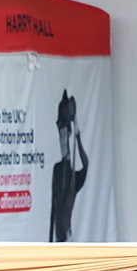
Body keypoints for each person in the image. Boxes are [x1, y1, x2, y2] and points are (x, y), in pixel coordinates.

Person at [49, 90, 88, 242]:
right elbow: (54, 208)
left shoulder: (74, 178)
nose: (63, 140)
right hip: (58, 240)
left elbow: (86, 165)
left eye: (65, 134)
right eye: (61, 135)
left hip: (68, 239)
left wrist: (78, 137)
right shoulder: (57, 170)